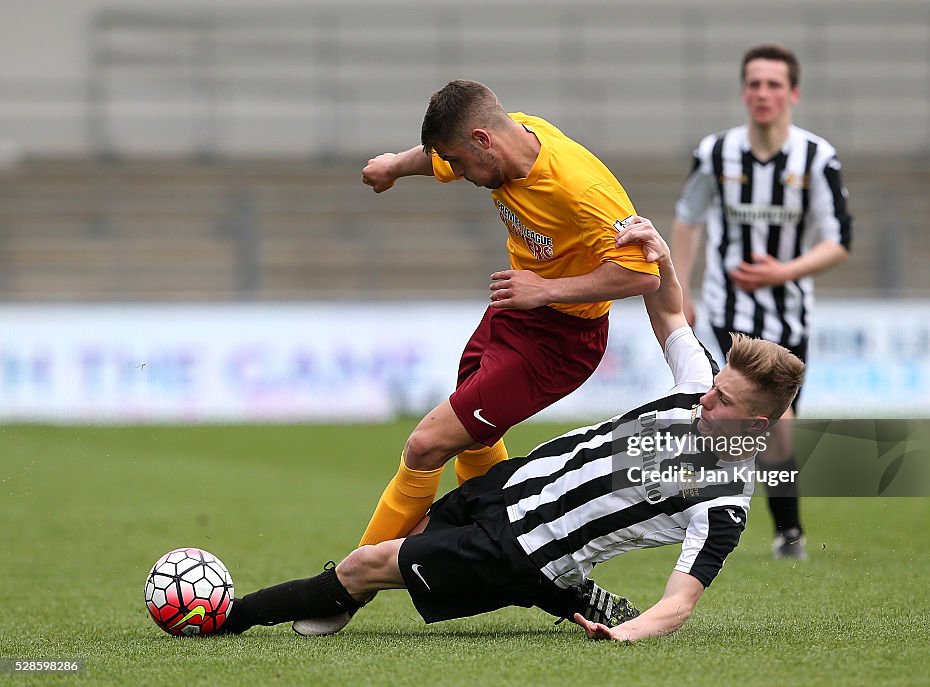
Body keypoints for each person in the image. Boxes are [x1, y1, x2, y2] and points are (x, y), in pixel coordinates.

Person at [216, 219, 806, 641]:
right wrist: (663, 255)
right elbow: (671, 311)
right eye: (713, 384)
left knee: (359, 568)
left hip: (520, 552)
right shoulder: (694, 390)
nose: (706, 397)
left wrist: (630, 633)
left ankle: (221, 617)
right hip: (510, 484)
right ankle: (567, 592)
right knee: (377, 556)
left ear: (756, 423)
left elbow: (681, 601)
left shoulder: (725, 500)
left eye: (722, 399)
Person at [356, 80, 660, 548]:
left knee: (425, 444)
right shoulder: (504, 140)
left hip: (561, 340)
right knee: (474, 439)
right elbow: (435, 157)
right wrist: (395, 166)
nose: (456, 172)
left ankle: (345, 586)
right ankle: (509, 545)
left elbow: (643, 274)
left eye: (458, 161)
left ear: (482, 141)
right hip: (512, 314)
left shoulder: (580, 188)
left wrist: (546, 289)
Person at [671, 43, 853, 559]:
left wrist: (783, 271)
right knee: (715, 413)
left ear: (793, 93)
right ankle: (712, 520)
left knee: (772, 427)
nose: (762, 93)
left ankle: (780, 526)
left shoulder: (817, 157)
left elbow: (838, 241)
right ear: (743, 91)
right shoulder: (715, 153)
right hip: (726, 316)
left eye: (774, 84)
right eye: (754, 83)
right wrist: (680, 289)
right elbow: (688, 218)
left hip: (788, 318)